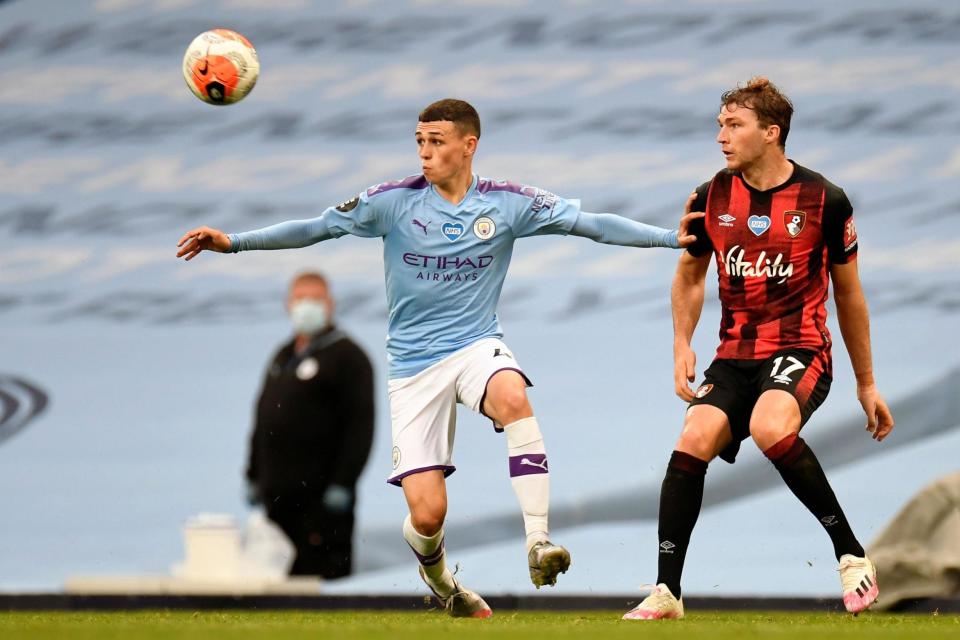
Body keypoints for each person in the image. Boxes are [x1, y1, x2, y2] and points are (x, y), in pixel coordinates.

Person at [177, 98, 701, 617]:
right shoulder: (392, 201)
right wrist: (235, 243)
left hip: (476, 345)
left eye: (436, 142)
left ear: (469, 146)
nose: (424, 153)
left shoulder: (507, 203)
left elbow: (590, 224)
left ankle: (538, 542)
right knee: (428, 515)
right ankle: (443, 582)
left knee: (512, 394)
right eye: (419, 142)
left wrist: (667, 239)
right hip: (413, 369)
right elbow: (317, 227)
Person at [622, 77, 896, 621]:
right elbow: (690, 275)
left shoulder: (825, 200)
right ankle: (667, 592)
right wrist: (681, 345)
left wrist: (867, 383)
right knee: (693, 437)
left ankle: (851, 555)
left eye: (734, 125)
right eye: (720, 125)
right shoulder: (711, 196)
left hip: (800, 349)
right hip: (735, 356)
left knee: (772, 425)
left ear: (771, 133)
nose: (721, 136)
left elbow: (850, 295)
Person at [245, 271, 374, 579]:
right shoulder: (283, 355)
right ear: (288, 304)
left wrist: (344, 482)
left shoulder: (349, 357)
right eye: (300, 299)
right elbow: (263, 418)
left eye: (315, 299)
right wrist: (252, 474)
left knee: (321, 577)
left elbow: (361, 426)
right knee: (278, 581)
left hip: (322, 498)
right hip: (277, 495)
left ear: (330, 304)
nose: (307, 306)